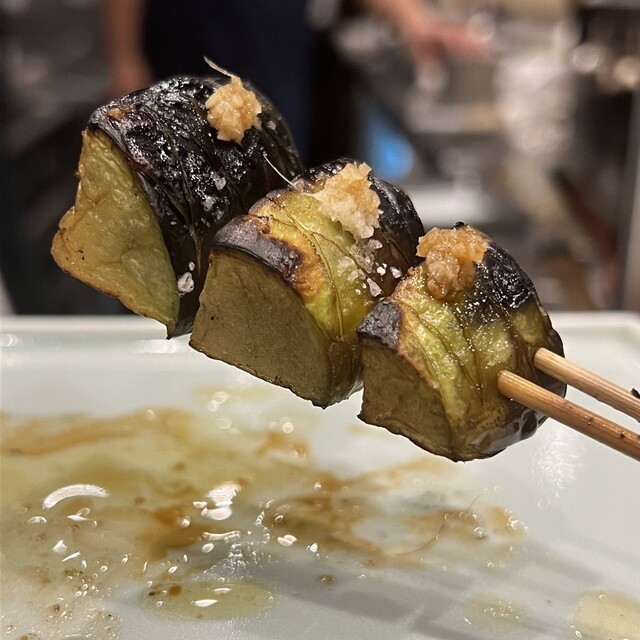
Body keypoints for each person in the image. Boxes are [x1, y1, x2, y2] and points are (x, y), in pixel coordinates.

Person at [103, 0, 486, 163]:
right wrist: (124, 58)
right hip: (183, 53)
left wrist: (416, 21)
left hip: (276, 63)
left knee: (275, 206)